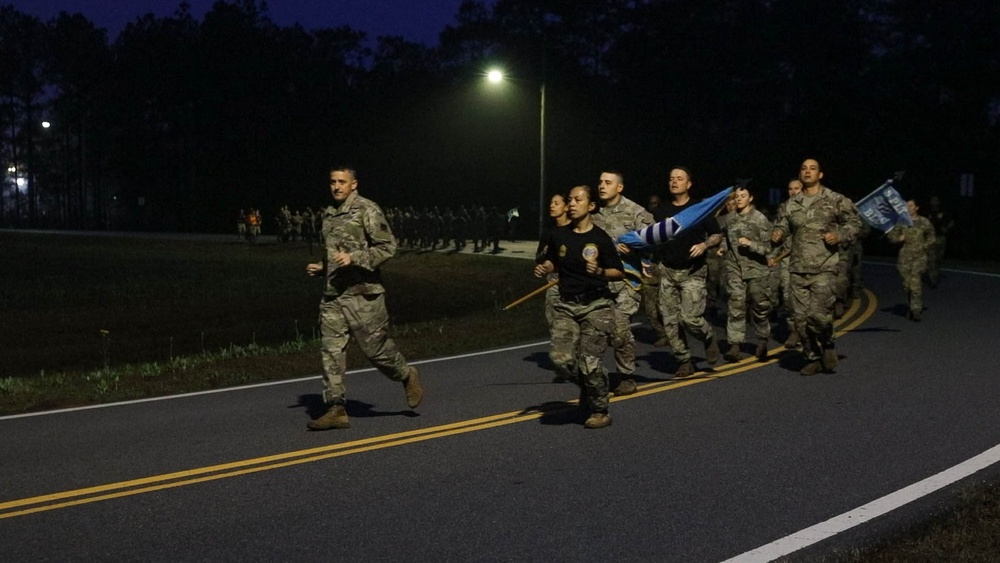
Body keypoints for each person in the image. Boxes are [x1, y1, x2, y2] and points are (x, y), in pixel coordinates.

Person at [305, 165, 423, 430]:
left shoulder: (367, 209)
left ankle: (406, 374)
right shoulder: (329, 214)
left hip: (364, 296)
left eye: (342, 182)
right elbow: (336, 253)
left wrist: (354, 258)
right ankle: (336, 408)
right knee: (331, 351)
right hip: (334, 295)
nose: (336, 186)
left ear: (353, 184)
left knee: (376, 351)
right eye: (333, 181)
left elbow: (387, 247)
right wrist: (323, 267)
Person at [534, 185, 625, 429]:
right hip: (566, 305)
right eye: (570, 200)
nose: (572, 204)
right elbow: (554, 261)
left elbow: (619, 273)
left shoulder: (600, 238)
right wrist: (547, 267)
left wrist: (601, 271)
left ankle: (600, 410)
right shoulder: (558, 235)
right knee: (560, 359)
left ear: (591, 206)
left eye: (578, 200)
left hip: (596, 305)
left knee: (590, 363)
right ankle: (591, 386)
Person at [771, 159, 862, 376]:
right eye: (803, 168)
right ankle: (812, 357)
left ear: (820, 174)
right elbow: (781, 226)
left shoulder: (834, 199)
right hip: (797, 269)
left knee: (818, 317)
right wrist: (778, 234)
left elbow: (855, 224)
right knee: (801, 322)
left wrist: (839, 235)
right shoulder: (791, 204)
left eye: (812, 168)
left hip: (824, 267)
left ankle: (828, 343)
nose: (807, 171)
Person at [652, 167, 723, 378]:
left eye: (679, 179)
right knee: (670, 321)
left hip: (693, 271)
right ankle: (684, 361)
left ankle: (708, 336)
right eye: (671, 178)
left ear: (688, 184)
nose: (674, 182)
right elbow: (652, 238)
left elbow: (717, 235)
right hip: (668, 271)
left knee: (690, 319)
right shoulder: (660, 212)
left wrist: (704, 244)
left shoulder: (699, 209)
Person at [589, 169, 654, 396]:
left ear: (620, 187)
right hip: (601, 282)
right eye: (600, 182)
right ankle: (595, 376)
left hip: (628, 280)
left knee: (620, 327)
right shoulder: (593, 214)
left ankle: (627, 376)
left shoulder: (636, 212)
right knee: (597, 331)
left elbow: (653, 239)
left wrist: (635, 247)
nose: (602, 186)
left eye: (608, 182)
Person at [717, 183, 773, 362]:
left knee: (760, 308)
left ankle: (762, 341)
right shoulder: (730, 219)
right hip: (735, 269)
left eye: (743, 196)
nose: (739, 199)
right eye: (737, 196)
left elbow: (768, 248)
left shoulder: (760, 219)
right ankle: (735, 345)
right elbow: (727, 238)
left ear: (751, 198)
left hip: (757, 270)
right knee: (736, 306)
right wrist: (723, 248)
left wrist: (751, 244)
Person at [535, 192, 572, 381]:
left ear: (566, 207)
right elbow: (540, 256)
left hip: (573, 282)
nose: (552, 206)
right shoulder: (549, 233)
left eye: (556, 203)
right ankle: (562, 362)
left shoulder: (575, 229)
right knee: (554, 321)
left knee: (572, 323)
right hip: (554, 281)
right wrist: (541, 268)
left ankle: (574, 359)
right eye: (551, 202)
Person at [886, 199, 935, 321]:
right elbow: (891, 236)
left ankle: (916, 310)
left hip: (919, 257)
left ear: (916, 208)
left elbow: (931, 236)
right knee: (907, 285)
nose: (908, 208)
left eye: (911, 205)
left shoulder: (924, 222)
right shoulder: (901, 221)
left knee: (915, 282)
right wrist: (898, 238)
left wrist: (924, 246)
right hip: (904, 258)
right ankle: (911, 305)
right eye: (906, 206)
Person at [768, 178, 802, 348]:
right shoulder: (783, 208)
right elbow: (778, 229)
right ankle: (794, 329)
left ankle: (810, 330)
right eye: (790, 189)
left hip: (810, 258)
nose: (793, 192)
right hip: (787, 257)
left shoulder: (814, 206)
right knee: (788, 295)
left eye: (797, 188)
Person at [640, 192, 669, 346]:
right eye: (651, 204)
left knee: (665, 307)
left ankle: (673, 334)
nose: (653, 207)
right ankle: (662, 334)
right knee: (651, 310)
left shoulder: (664, 226)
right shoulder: (642, 226)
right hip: (648, 271)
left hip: (664, 270)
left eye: (656, 204)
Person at [925, 195, 953, 287]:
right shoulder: (928, 212)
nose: (934, 202)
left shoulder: (943, 212)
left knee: (938, 258)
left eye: (936, 200)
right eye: (932, 200)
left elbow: (951, 221)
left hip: (941, 237)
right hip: (931, 238)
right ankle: (933, 280)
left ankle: (935, 273)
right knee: (931, 259)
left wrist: (946, 228)